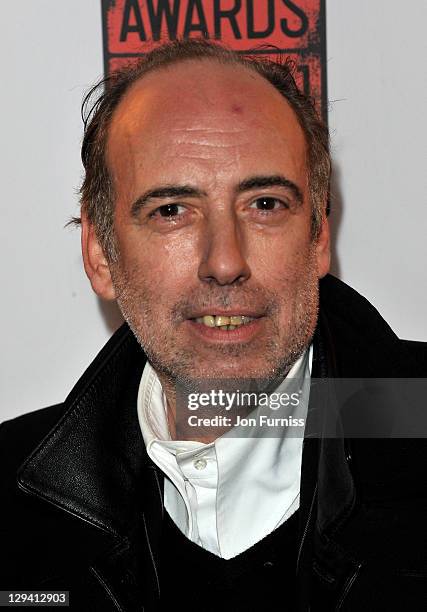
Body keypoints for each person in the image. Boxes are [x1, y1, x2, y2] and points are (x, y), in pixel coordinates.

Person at [1, 39, 426, 611]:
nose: (225, 261)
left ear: (319, 236)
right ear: (101, 255)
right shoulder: (12, 500)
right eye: (171, 210)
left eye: (266, 204)